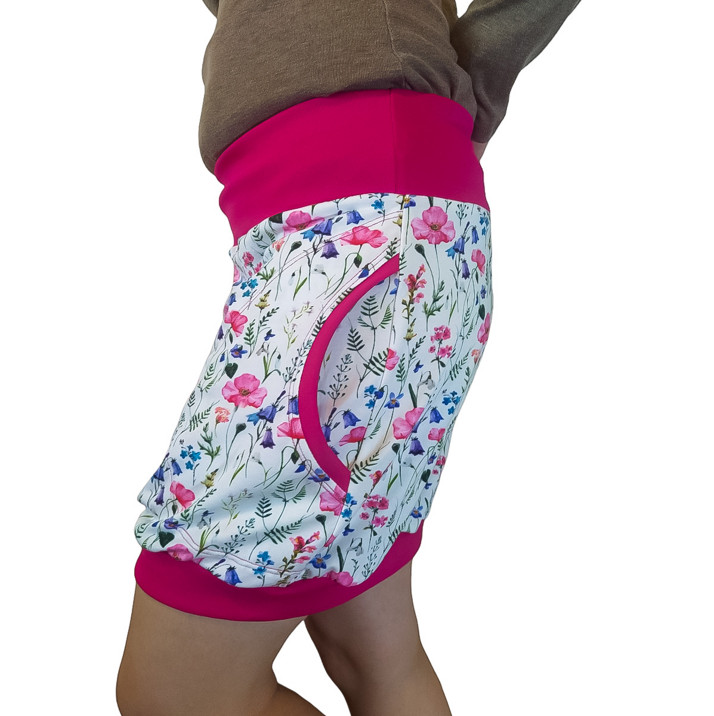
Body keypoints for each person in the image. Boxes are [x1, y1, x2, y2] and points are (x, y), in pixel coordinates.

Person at [116, 2, 581, 714]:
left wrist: (468, 94)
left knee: (176, 695)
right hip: (358, 227)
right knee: (372, 658)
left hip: (361, 227)